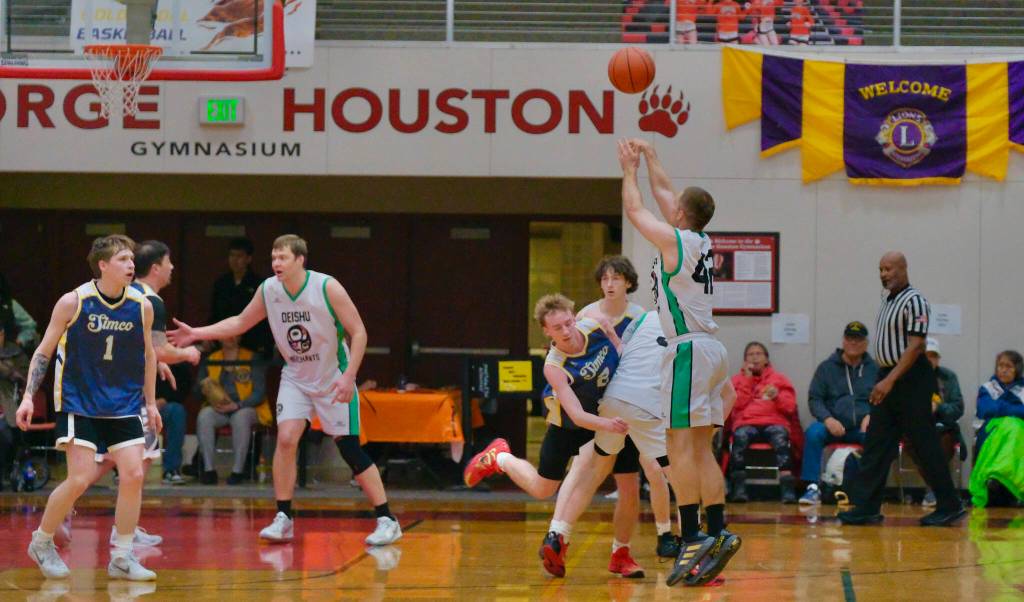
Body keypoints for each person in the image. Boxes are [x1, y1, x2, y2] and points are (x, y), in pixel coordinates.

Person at [169, 234, 401, 546]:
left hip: (334, 376)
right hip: (296, 377)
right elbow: (239, 322)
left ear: (300, 260)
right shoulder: (269, 290)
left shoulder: (326, 287)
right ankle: (284, 517)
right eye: (274, 258)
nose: (276, 263)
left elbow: (359, 332)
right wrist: (197, 332)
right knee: (287, 438)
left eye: (283, 258)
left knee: (348, 447)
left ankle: (387, 518)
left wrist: (349, 377)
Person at [622, 137, 740, 587]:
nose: (668, 206)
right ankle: (718, 528)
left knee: (676, 446)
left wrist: (628, 170)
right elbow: (668, 195)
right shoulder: (700, 239)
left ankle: (691, 536)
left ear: (679, 215)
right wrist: (653, 158)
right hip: (712, 350)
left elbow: (637, 212)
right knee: (700, 447)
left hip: (687, 348)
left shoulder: (676, 240)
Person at [16, 234, 161, 580]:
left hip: (123, 402)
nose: (131, 266)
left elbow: (149, 354)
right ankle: (42, 541)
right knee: (80, 479)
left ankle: (123, 557)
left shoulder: (142, 305)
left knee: (134, 473)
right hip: (79, 401)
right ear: (103, 265)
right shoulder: (74, 301)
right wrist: (26, 396)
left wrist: (152, 403)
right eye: (124, 259)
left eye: (132, 260)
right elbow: (43, 351)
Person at [463, 294, 631, 578]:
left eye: (568, 323)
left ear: (574, 316)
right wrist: (609, 423)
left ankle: (560, 537)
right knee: (543, 490)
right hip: (567, 426)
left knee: (592, 469)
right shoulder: (554, 365)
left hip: (601, 415)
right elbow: (577, 416)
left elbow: (621, 350)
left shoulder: (596, 326)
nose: (566, 332)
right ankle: (500, 457)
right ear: (546, 331)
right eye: (557, 328)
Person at [838, 252, 965, 527]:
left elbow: (916, 345)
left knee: (924, 444)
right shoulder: (888, 300)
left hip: (909, 379)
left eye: (889, 269)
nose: (884, 274)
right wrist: (884, 378)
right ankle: (867, 508)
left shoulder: (915, 301)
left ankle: (950, 505)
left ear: (904, 269)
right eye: (880, 269)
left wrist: (890, 380)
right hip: (888, 376)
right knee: (876, 443)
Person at [578, 255, 679, 563]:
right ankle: (560, 530)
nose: (609, 284)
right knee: (590, 470)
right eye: (605, 279)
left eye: (616, 278)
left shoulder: (642, 316)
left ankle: (664, 534)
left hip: (640, 401)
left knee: (655, 470)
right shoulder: (585, 315)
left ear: (628, 283)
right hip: (608, 405)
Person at [799, 321, 877, 505]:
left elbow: (885, 398)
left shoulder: (875, 369)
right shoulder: (826, 368)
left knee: (880, 436)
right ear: (843, 341)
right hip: (834, 425)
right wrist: (827, 419)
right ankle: (812, 488)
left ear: (866, 343)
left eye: (858, 340)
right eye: (850, 339)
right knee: (813, 433)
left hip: (862, 427)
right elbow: (815, 399)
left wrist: (873, 414)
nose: (854, 343)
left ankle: (869, 489)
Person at [727, 341, 802, 504]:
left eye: (758, 354)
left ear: (766, 359)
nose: (754, 357)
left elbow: (790, 408)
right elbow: (736, 405)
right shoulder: (736, 381)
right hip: (746, 424)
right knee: (739, 437)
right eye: (750, 355)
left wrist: (777, 396)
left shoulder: (779, 379)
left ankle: (787, 489)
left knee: (781, 438)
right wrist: (746, 381)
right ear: (745, 360)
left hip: (774, 423)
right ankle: (739, 488)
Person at [195, 334, 267, 485]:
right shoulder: (211, 359)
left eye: (235, 334)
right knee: (204, 415)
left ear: (241, 336)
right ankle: (209, 470)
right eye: (226, 334)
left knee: (240, 417)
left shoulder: (252, 358)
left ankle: (237, 471)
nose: (230, 337)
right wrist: (206, 390)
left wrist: (237, 405)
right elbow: (196, 390)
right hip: (219, 408)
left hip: (247, 407)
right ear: (219, 338)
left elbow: (259, 393)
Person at [908, 337, 964, 507]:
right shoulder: (908, 376)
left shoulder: (948, 377)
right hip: (915, 426)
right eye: (925, 355)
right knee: (915, 441)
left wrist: (938, 407)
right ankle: (939, 490)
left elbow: (958, 408)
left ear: (938, 359)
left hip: (943, 426)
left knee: (944, 441)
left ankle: (934, 491)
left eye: (933, 356)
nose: (928, 359)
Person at [969, 351, 1024, 508]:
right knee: (1010, 426)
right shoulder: (987, 388)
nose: (1004, 370)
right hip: (990, 433)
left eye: (1009, 366)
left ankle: (1009, 484)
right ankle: (998, 478)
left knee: (1013, 428)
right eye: (1001, 366)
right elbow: (986, 409)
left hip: (1019, 435)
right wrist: (1013, 409)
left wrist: (1001, 408)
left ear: (1017, 370)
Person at [209, 237, 272, 357]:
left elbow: (265, 319)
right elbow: (215, 314)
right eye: (232, 255)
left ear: (248, 259)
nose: (235, 260)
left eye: (239, 256)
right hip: (224, 343)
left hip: (252, 343)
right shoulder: (221, 283)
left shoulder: (259, 284)